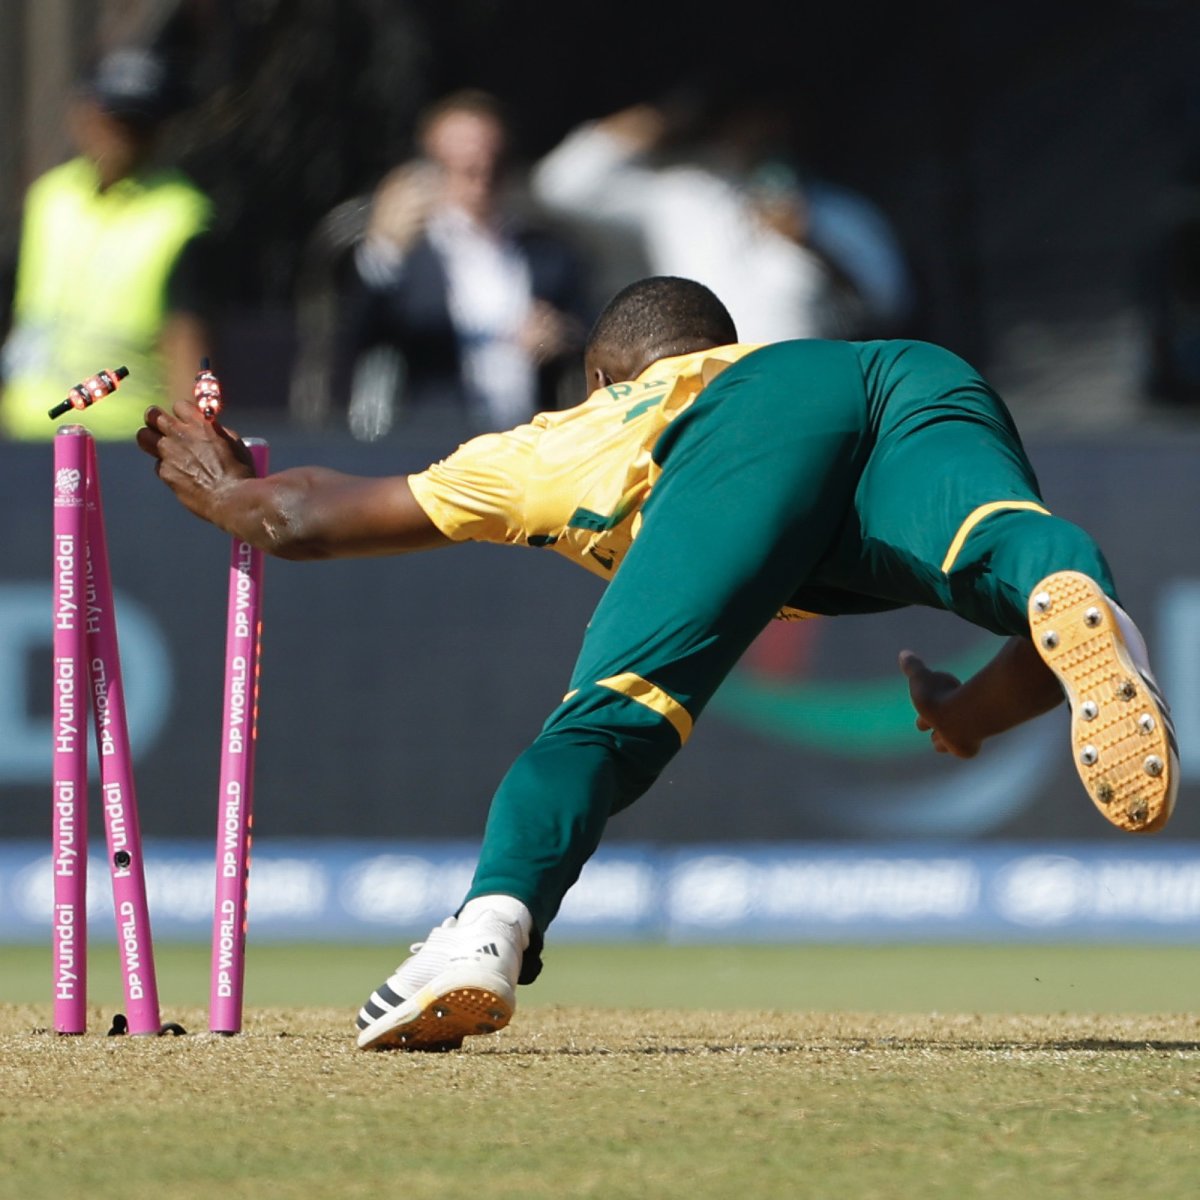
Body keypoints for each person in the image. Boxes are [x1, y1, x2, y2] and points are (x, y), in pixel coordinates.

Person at [136, 275, 1179, 1052]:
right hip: (911, 371)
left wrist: (226, 491)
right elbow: (1053, 649)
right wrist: (967, 716)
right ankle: (1070, 583)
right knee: (1015, 559)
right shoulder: (806, 371)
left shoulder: (586, 427)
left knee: (605, 724)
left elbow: (310, 515)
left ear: (600, 376)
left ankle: (486, 930)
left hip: (749, 430)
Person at [339, 88, 592, 436]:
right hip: (430, 440)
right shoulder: (407, 255)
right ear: (431, 165)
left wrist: (556, 336)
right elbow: (355, 338)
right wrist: (383, 251)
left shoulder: (545, 253)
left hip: (528, 438)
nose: (480, 171)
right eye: (464, 163)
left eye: (492, 160)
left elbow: (589, 334)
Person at [530, 98, 876, 343]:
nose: (760, 131)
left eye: (772, 118)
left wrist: (810, 241)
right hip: (708, 390)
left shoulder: (834, 210)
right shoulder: (683, 192)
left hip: (809, 387)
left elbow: (885, 303)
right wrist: (662, 116)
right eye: (746, 116)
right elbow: (560, 185)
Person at [0, 46, 214, 440]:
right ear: (81, 113)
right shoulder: (50, 198)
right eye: (112, 117)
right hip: (25, 429)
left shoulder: (180, 214)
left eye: (136, 123)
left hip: (120, 438)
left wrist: (193, 440)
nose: (120, 136)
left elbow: (186, 339)